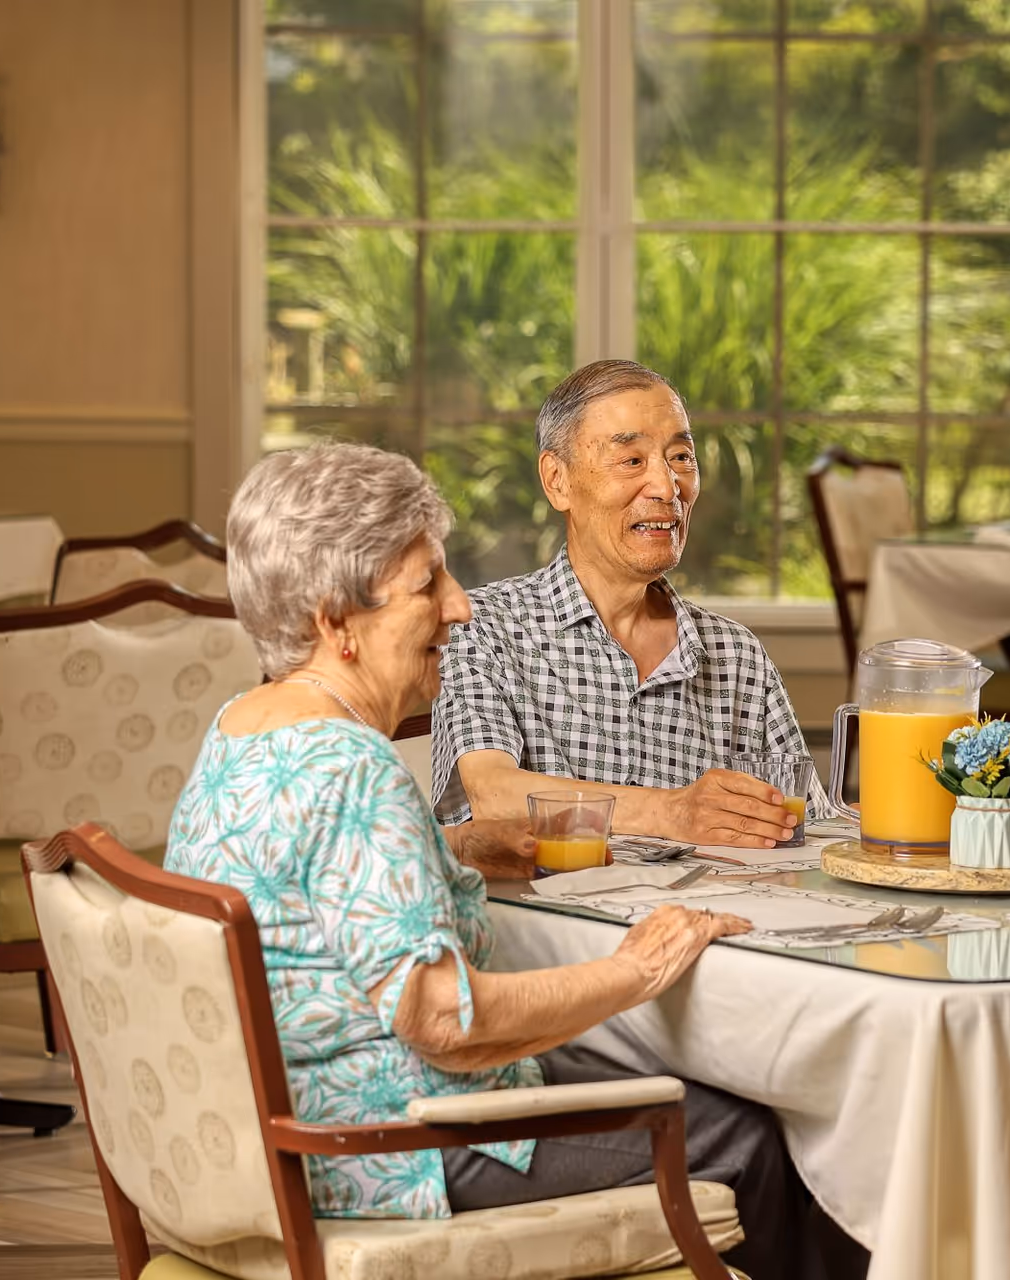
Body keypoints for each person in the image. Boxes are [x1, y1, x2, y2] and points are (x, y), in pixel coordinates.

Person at [165, 443, 864, 1279]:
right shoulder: (353, 768)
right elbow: (444, 1024)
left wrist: (447, 845)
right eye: (428, 585)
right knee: (748, 1134)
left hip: (277, 1128)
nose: (459, 608)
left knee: (644, 1074)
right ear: (333, 620)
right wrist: (640, 967)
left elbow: (311, 880)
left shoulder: (244, 724)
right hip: (383, 1148)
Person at [433, 359, 826, 848]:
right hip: (556, 922)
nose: (667, 488)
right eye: (631, 460)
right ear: (557, 481)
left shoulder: (736, 654)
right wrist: (674, 812)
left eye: (681, 457)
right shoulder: (486, 627)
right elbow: (493, 794)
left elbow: (807, 826)